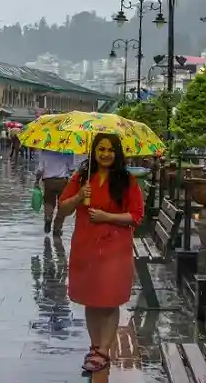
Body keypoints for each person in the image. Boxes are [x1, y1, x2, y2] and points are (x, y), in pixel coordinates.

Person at [57, 133, 144, 375]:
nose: (105, 154)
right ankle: (95, 347)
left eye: (110, 150)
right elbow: (62, 209)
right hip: (85, 246)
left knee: (108, 298)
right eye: (101, 149)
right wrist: (78, 196)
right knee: (92, 298)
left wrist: (108, 217)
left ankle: (104, 350)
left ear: (117, 154)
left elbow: (136, 215)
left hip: (115, 249)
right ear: (94, 152)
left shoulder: (127, 181)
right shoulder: (82, 177)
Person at [35, 149, 74, 236]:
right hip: (63, 182)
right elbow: (71, 169)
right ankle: (57, 228)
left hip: (49, 182)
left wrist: (37, 181)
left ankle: (48, 217)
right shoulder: (68, 151)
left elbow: (40, 169)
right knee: (62, 206)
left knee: (48, 203)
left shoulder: (44, 152)